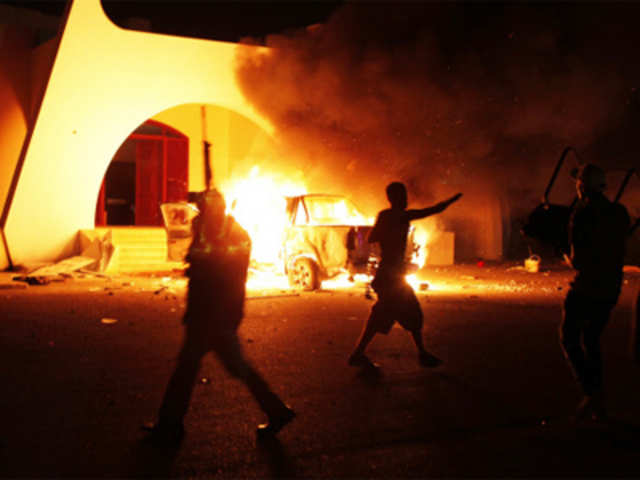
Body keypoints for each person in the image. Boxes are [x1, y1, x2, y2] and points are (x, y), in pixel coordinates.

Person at [145, 189, 294, 445]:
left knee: (202, 368)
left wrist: (199, 254)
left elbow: (215, 263)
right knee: (193, 368)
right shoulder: (215, 229)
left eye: (204, 208)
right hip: (211, 311)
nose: (200, 213)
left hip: (214, 314)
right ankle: (170, 423)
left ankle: (170, 425)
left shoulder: (230, 234)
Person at [349, 182, 462, 369]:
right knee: (406, 313)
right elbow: (432, 210)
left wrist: (386, 233)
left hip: (388, 274)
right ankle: (360, 354)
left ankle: (419, 353)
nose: (406, 199)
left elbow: (371, 238)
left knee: (391, 314)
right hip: (391, 276)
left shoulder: (385, 216)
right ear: (396, 198)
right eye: (403, 195)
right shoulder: (401, 216)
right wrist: (451, 200)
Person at [561, 164, 630, 421]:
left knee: (569, 337)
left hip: (586, 286)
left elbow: (578, 261)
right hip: (611, 287)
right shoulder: (620, 213)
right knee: (591, 339)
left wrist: (566, 256)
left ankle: (591, 392)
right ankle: (597, 397)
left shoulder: (582, 215)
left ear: (583, 187)